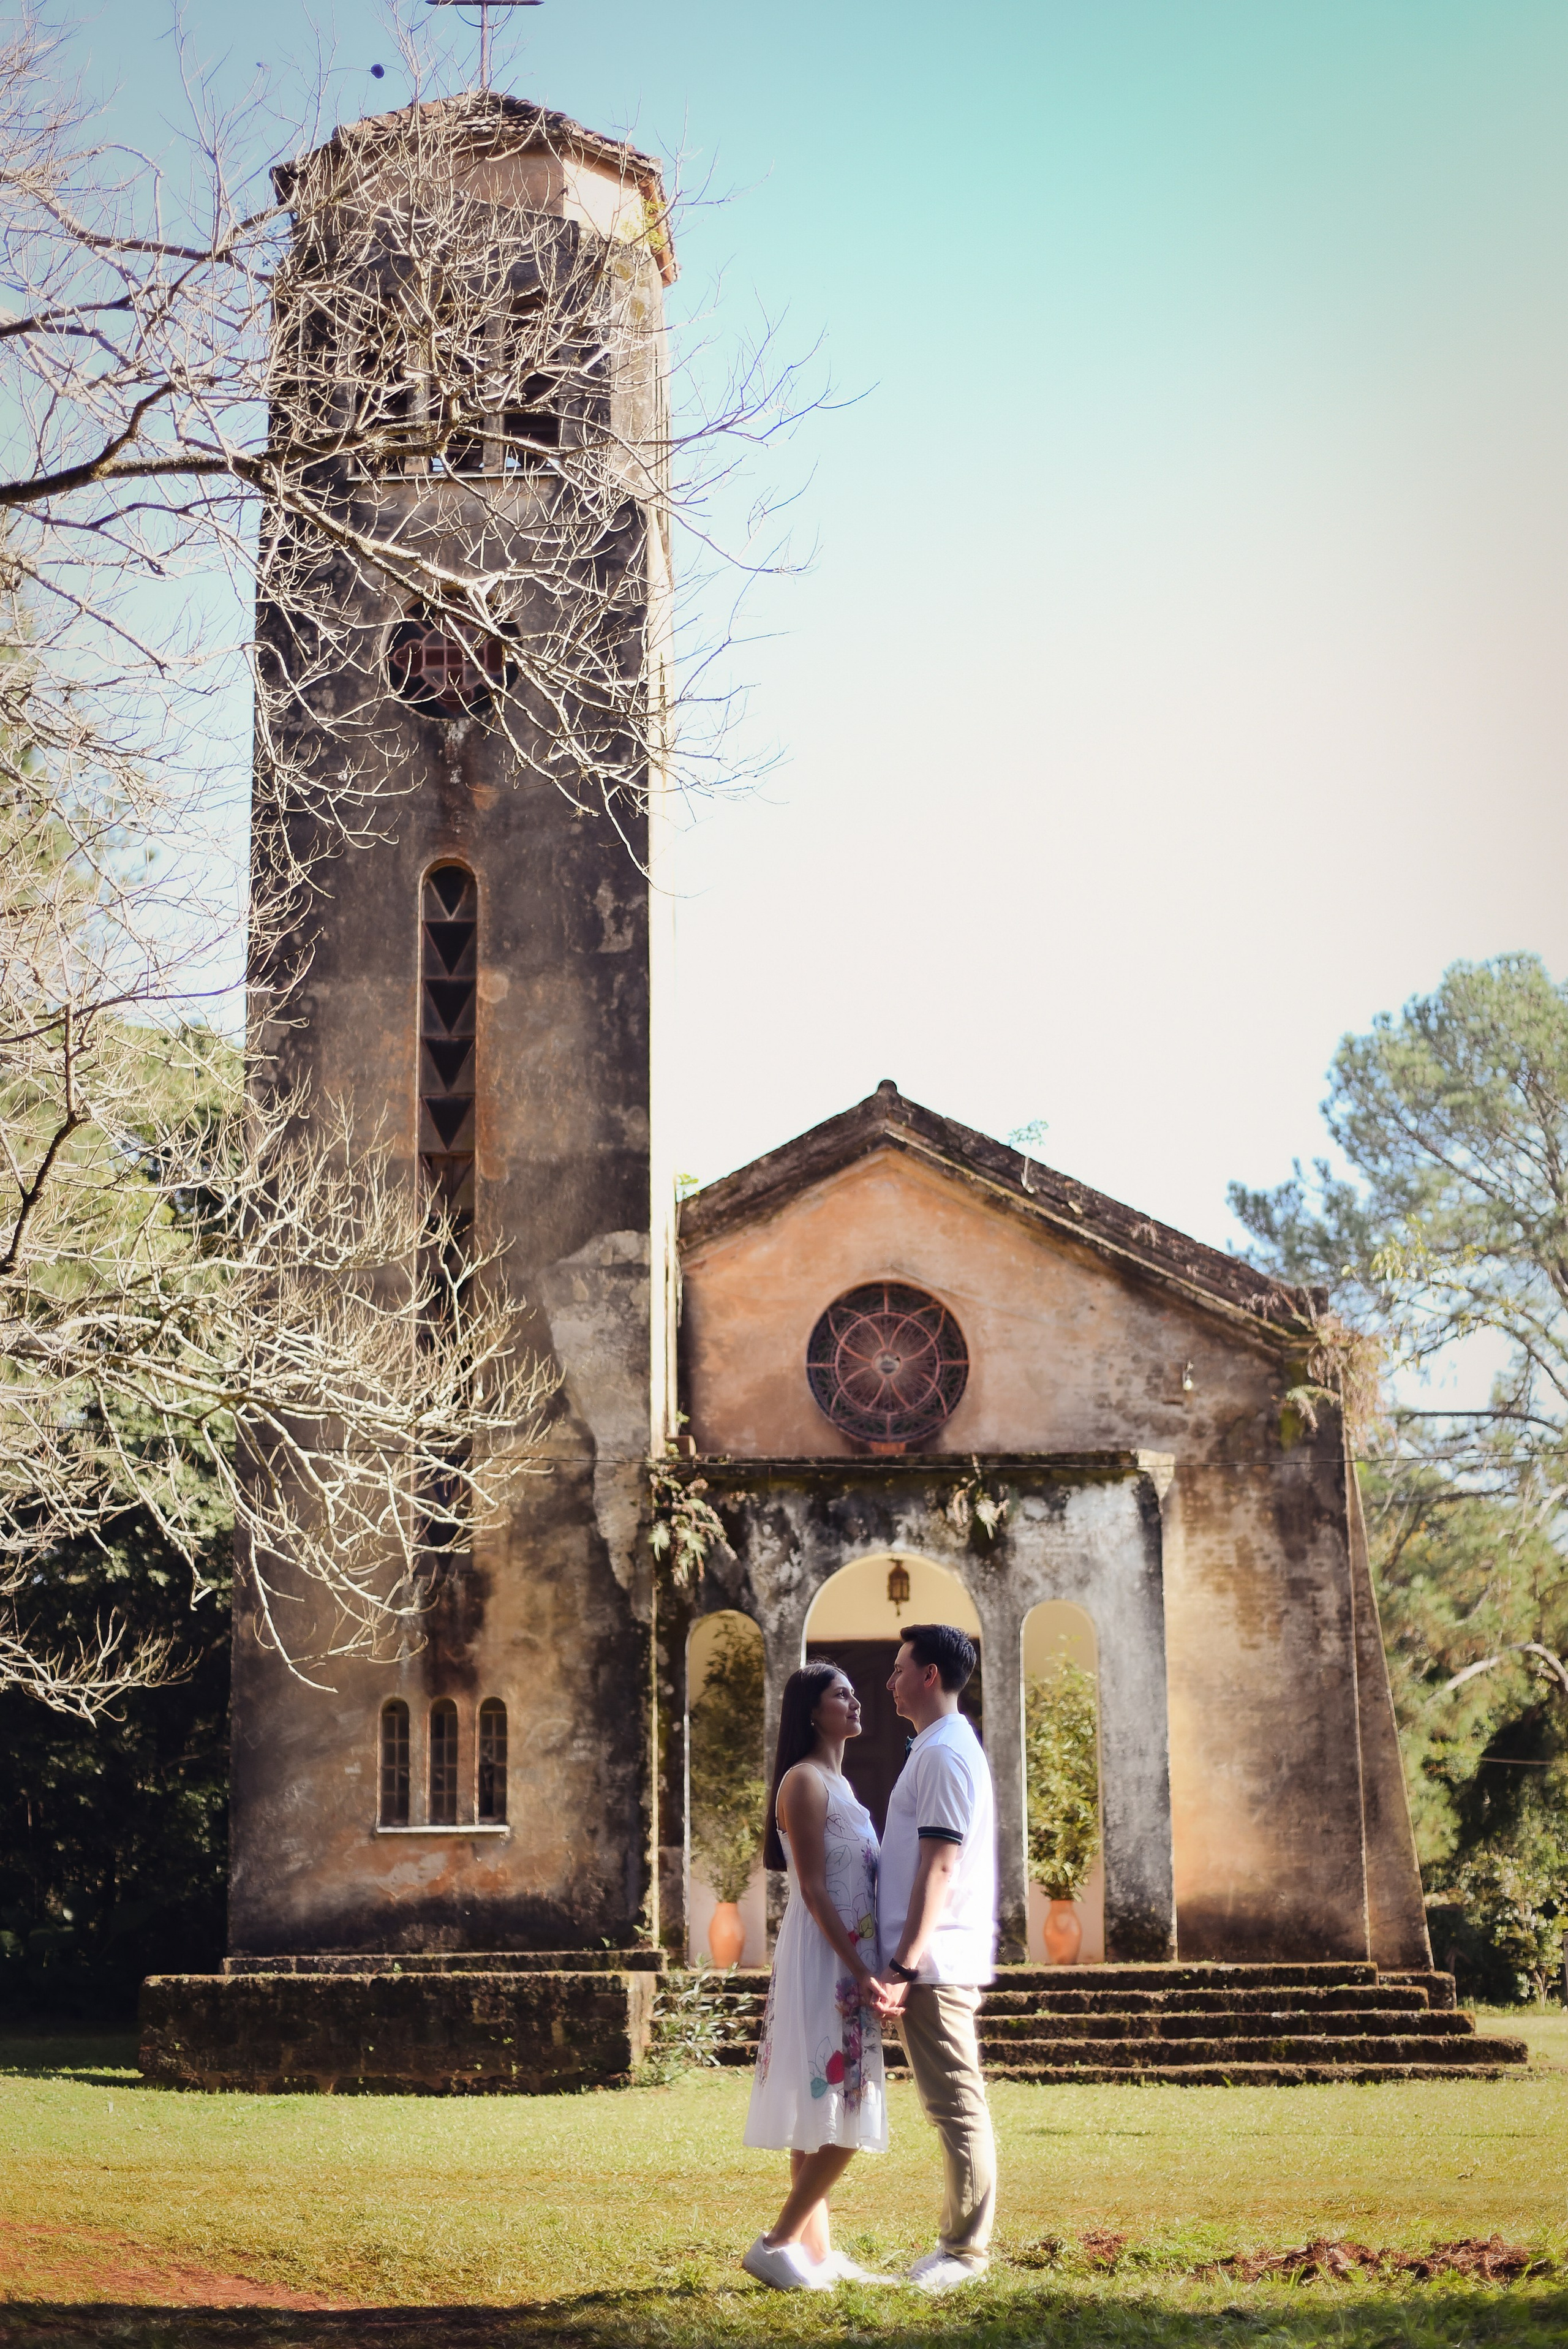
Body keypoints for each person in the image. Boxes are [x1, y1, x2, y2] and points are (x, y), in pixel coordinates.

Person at [741, 1659, 892, 2291]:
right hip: (827, 1957)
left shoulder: (844, 1787)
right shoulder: (802, 1782)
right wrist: (860, 1969)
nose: (855, 1702)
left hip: (849, 1953)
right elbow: (810, 1888)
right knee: (844, 2107)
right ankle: (774, 2244)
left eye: (855, 1693)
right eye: (841, 1695)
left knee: (820, 2110)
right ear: (811, 1710)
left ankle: (816, 2253)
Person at [877, 1622, 998, 2294]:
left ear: (928, 1675)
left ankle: (965, 2254)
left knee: (955, 2104)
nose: (889, 1680)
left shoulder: (946, 1752)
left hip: (936, 1961)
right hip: (931, 1958)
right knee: (948, 2103)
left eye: (899, 1669)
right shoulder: (936, 1747)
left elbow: (940, 1862)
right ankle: (959, 2246)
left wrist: (903, 1962)